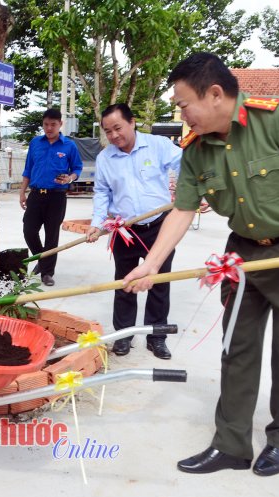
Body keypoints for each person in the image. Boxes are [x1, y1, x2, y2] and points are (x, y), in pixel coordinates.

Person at [122, 53, 279, 477]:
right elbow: (182, 210)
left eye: (182, 103)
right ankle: (230, 443)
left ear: (215, 94)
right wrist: (150, 264)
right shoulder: (195, 148)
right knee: (237, 350)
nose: (181, 113)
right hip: (243, 258)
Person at [85, 104, 181, 358]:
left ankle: (157, 336)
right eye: (108, 131)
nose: (114, 135)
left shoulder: (157, 145)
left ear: (132, 122)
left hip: (160, 227)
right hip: (124, 230)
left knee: (159, 283)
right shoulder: (106, 158)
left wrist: (190, 190)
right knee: (124, 283)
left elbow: (185, 164)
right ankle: (123, 335)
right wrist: (96, 223)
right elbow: (102, 192)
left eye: (118, 128)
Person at [19, 109, 83, 286]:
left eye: (53, 124)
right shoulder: (35, 143)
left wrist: (70, 178)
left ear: (60, 124)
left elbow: (77, 168)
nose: (49, 128)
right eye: (46, 124)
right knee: (29, 230)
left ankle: (47, 273)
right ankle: (42, 259)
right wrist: (22, 192)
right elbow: (28, 169)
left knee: (51, 236)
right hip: (36, 195)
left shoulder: (69, 146)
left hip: (57, 197)